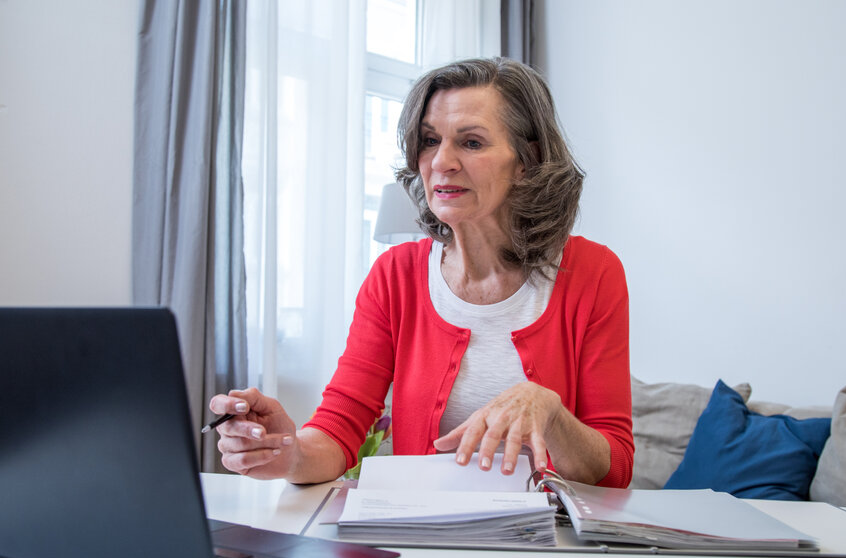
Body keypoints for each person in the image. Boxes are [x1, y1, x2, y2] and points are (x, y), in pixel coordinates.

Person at [211, 57, 633, 487]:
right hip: (424, 536)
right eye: (430, 140)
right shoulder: (394, 275)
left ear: (527, 159)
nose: (441, 162)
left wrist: (550, 412)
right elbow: (340, 429)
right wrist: (288, 452)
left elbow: (614, 469)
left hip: (551, 543)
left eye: (471, 143)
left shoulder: (593, 273)